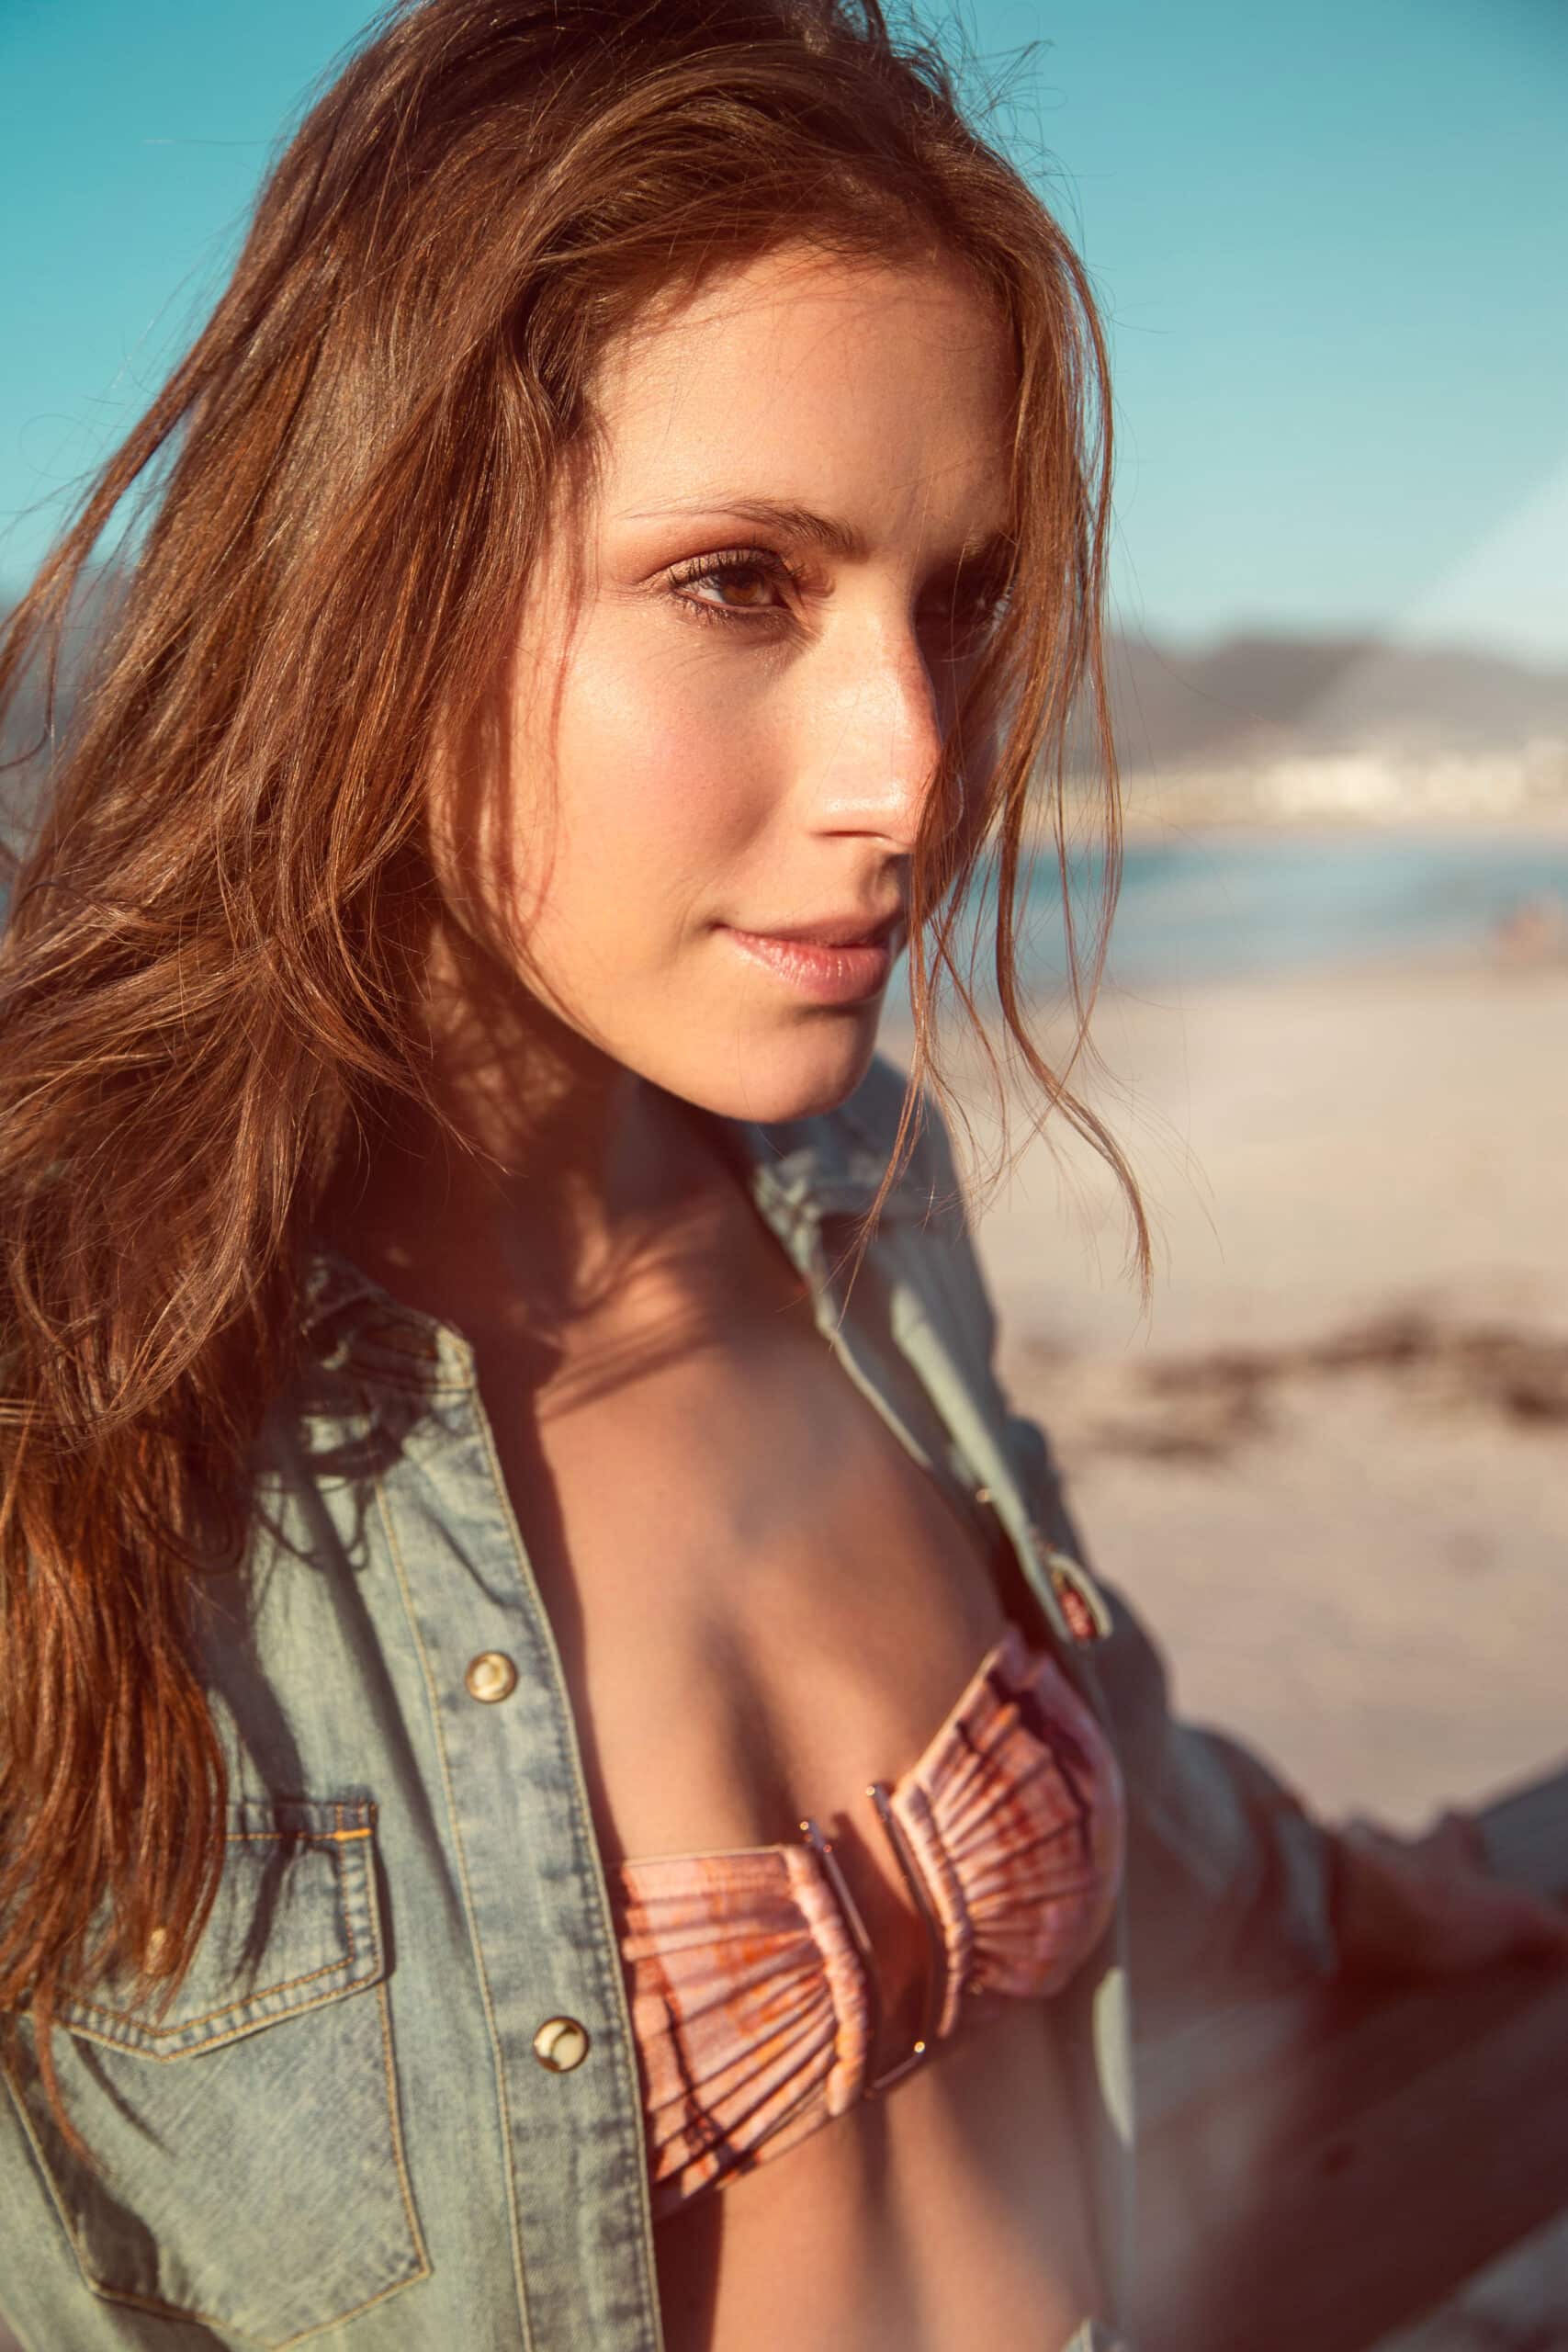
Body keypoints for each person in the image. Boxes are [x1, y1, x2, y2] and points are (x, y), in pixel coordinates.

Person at [1, 3, 1562, 2347]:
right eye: (741, 580)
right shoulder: (84, 1433)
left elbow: (1095, 1710)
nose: (911, 769)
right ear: (368, 579)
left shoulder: (852, 1207)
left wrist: (1329, 1884)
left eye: (955, 601)